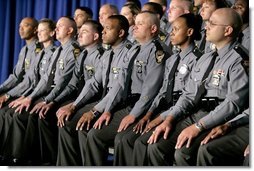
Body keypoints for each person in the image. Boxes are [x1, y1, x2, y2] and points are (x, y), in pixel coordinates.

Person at [146, 8, 248, 166]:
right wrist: (170, 119)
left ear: (227, 30)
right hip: (196, 113)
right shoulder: (206, 58)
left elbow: (233, 104)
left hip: (219, 117)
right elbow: (189, 95)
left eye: (212, 23)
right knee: (156, 144)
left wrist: (199, 126)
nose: (206, 27)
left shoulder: (240, 60)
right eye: (207, 23)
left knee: (183, 151)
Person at [83, 11, 167, 166]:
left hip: (145, 108)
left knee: (122, 139)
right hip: (127, 104)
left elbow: (150, 90)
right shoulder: (134, 50)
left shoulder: (157, 52)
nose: (134, 27)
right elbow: (120, 84)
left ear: (153, 29)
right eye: (135, 23)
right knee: (94, 134)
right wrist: (108, 110)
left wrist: (134, 115)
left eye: (141, 23)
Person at [2, 16, 79, 165]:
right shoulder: (58, 51)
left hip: (63, 95)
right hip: (47, 92)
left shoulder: (72, 51)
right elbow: (43, 80)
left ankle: (40, 158)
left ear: (70, 30)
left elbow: (63, 83)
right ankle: (16, 154)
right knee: (12, 110)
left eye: (59, 26)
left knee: (33, 113)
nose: (56, 29)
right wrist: (28, 97)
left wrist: (47, 100)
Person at [57, 15, 133, 166]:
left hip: (121, 103)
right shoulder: (108, 54)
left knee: (87, 127)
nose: (103, 32)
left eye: (108, 28)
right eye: (103, 28)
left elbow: (118, 89)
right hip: (104, 101)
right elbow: (93, 84)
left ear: (121, 33)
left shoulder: (129, 52)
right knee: (67, 120)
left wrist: (94, 111)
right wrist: (74, 106)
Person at [131, 13, 203, 166]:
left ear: (189, 32)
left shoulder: (198, 60)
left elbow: (187, 97)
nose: (171, 32)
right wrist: (148, 115)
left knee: (151, 144)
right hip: (166, 110)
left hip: (183, 112)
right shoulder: (172, 59)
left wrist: (160, 118)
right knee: (139, 139)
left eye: (176, 29)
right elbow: (163, 91)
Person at [0, 17, 39, 108]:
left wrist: (8, 95)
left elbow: (30, 80)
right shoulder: (24, 49)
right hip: (21, 89)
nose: (21, 29)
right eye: (20, 26)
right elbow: (16, 76)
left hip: (31, 91)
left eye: (26, 26)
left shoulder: (38, 50)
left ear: (35, 30)